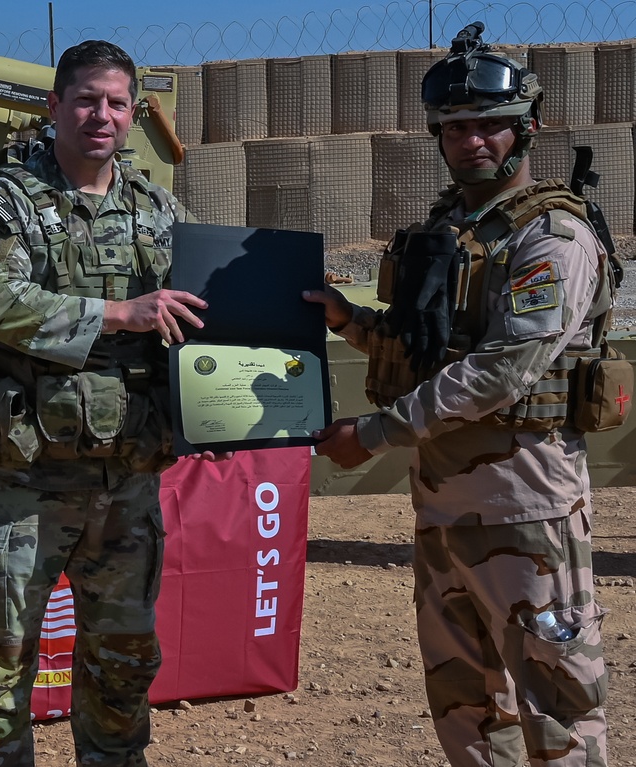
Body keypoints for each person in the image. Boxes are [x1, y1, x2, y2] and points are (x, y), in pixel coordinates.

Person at [305, 22, 614, 767]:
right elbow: (428, 350)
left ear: (526, 129)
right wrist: (351, 322)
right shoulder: (452, 227)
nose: (472, 141)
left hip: (526, 506)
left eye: (490, 126)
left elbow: (504, 369)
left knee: (557, 713)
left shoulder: (554, 237)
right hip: (443, 505)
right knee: (467, 709)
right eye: (455, 127)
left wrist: (372, 436)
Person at [0, 39, 226, 767]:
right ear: (54, 107)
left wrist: (230, 392)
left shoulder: (158, 209)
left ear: (133, 113)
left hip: (125, 484)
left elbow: (205, 311)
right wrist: (118, 314)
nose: (100, 115)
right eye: (85, 99)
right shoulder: (4, 202)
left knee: (124, 660)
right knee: (0, 665)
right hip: (25, 484)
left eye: (114, 102)